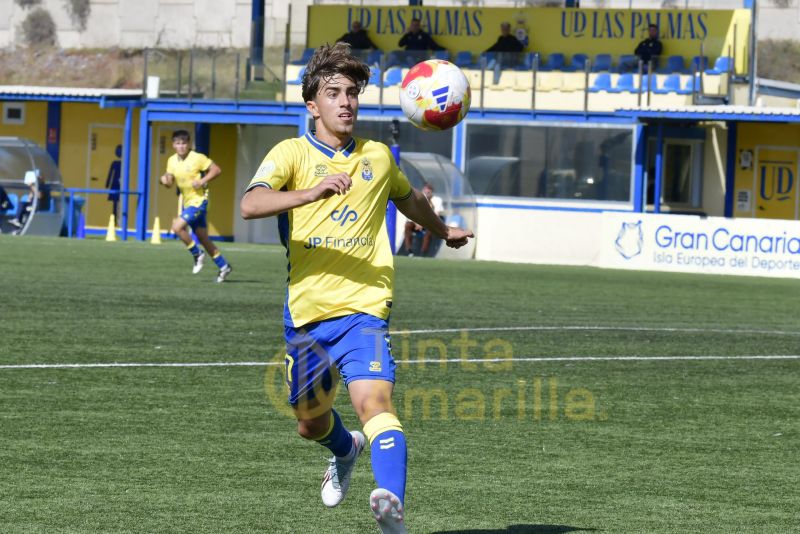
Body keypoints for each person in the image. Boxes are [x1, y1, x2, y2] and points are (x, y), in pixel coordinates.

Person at [240, 42, 473, 533]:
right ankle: (345, 450)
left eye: (352, 93)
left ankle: (393, 509)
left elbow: (409, 201)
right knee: (309, 423)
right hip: (306, 315)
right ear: (312, 105)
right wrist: (311, 191)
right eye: (333, 93)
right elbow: (251, 205)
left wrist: (443, 230)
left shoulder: (378, 158)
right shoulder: (291, 154)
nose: (345, 102)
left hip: (365, 310)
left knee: (376, 405)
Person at [159, 130, 232, 283]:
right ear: (173, 145)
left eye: (184, 143)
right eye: (178, 143)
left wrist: (202, 180)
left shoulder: (197, 158)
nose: (181, 147)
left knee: (177, 227)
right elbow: (170, 181)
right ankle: (224, 266)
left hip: (200, 201)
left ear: (189, 144)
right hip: (188, 203)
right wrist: (165, 181)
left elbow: (216, 170)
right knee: (202, 238)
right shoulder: (172, 161)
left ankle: (197, 254)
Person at [403, 183, 444, 256]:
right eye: (425, 191)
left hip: (430, 223)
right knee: (408, 225)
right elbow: (413, 213)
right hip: (419, 222)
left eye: (428, 191)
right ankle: (408, 250)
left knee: (429, 230)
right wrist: (417, 223)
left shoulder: (437, 200)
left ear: (432, 192)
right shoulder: (419, 199)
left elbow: (436, 215)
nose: (427, 193)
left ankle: (423, 252)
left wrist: (424, 223)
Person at [106, 144, 122, 220]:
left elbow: (110, 174)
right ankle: (114, 217)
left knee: (118, 202)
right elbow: (110, 174)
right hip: (116, 184)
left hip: (119, 185)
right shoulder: (115, 163)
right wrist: (107, 184)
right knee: (115, 202)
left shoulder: (119, 163)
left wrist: (107, 184)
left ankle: (117, 218)